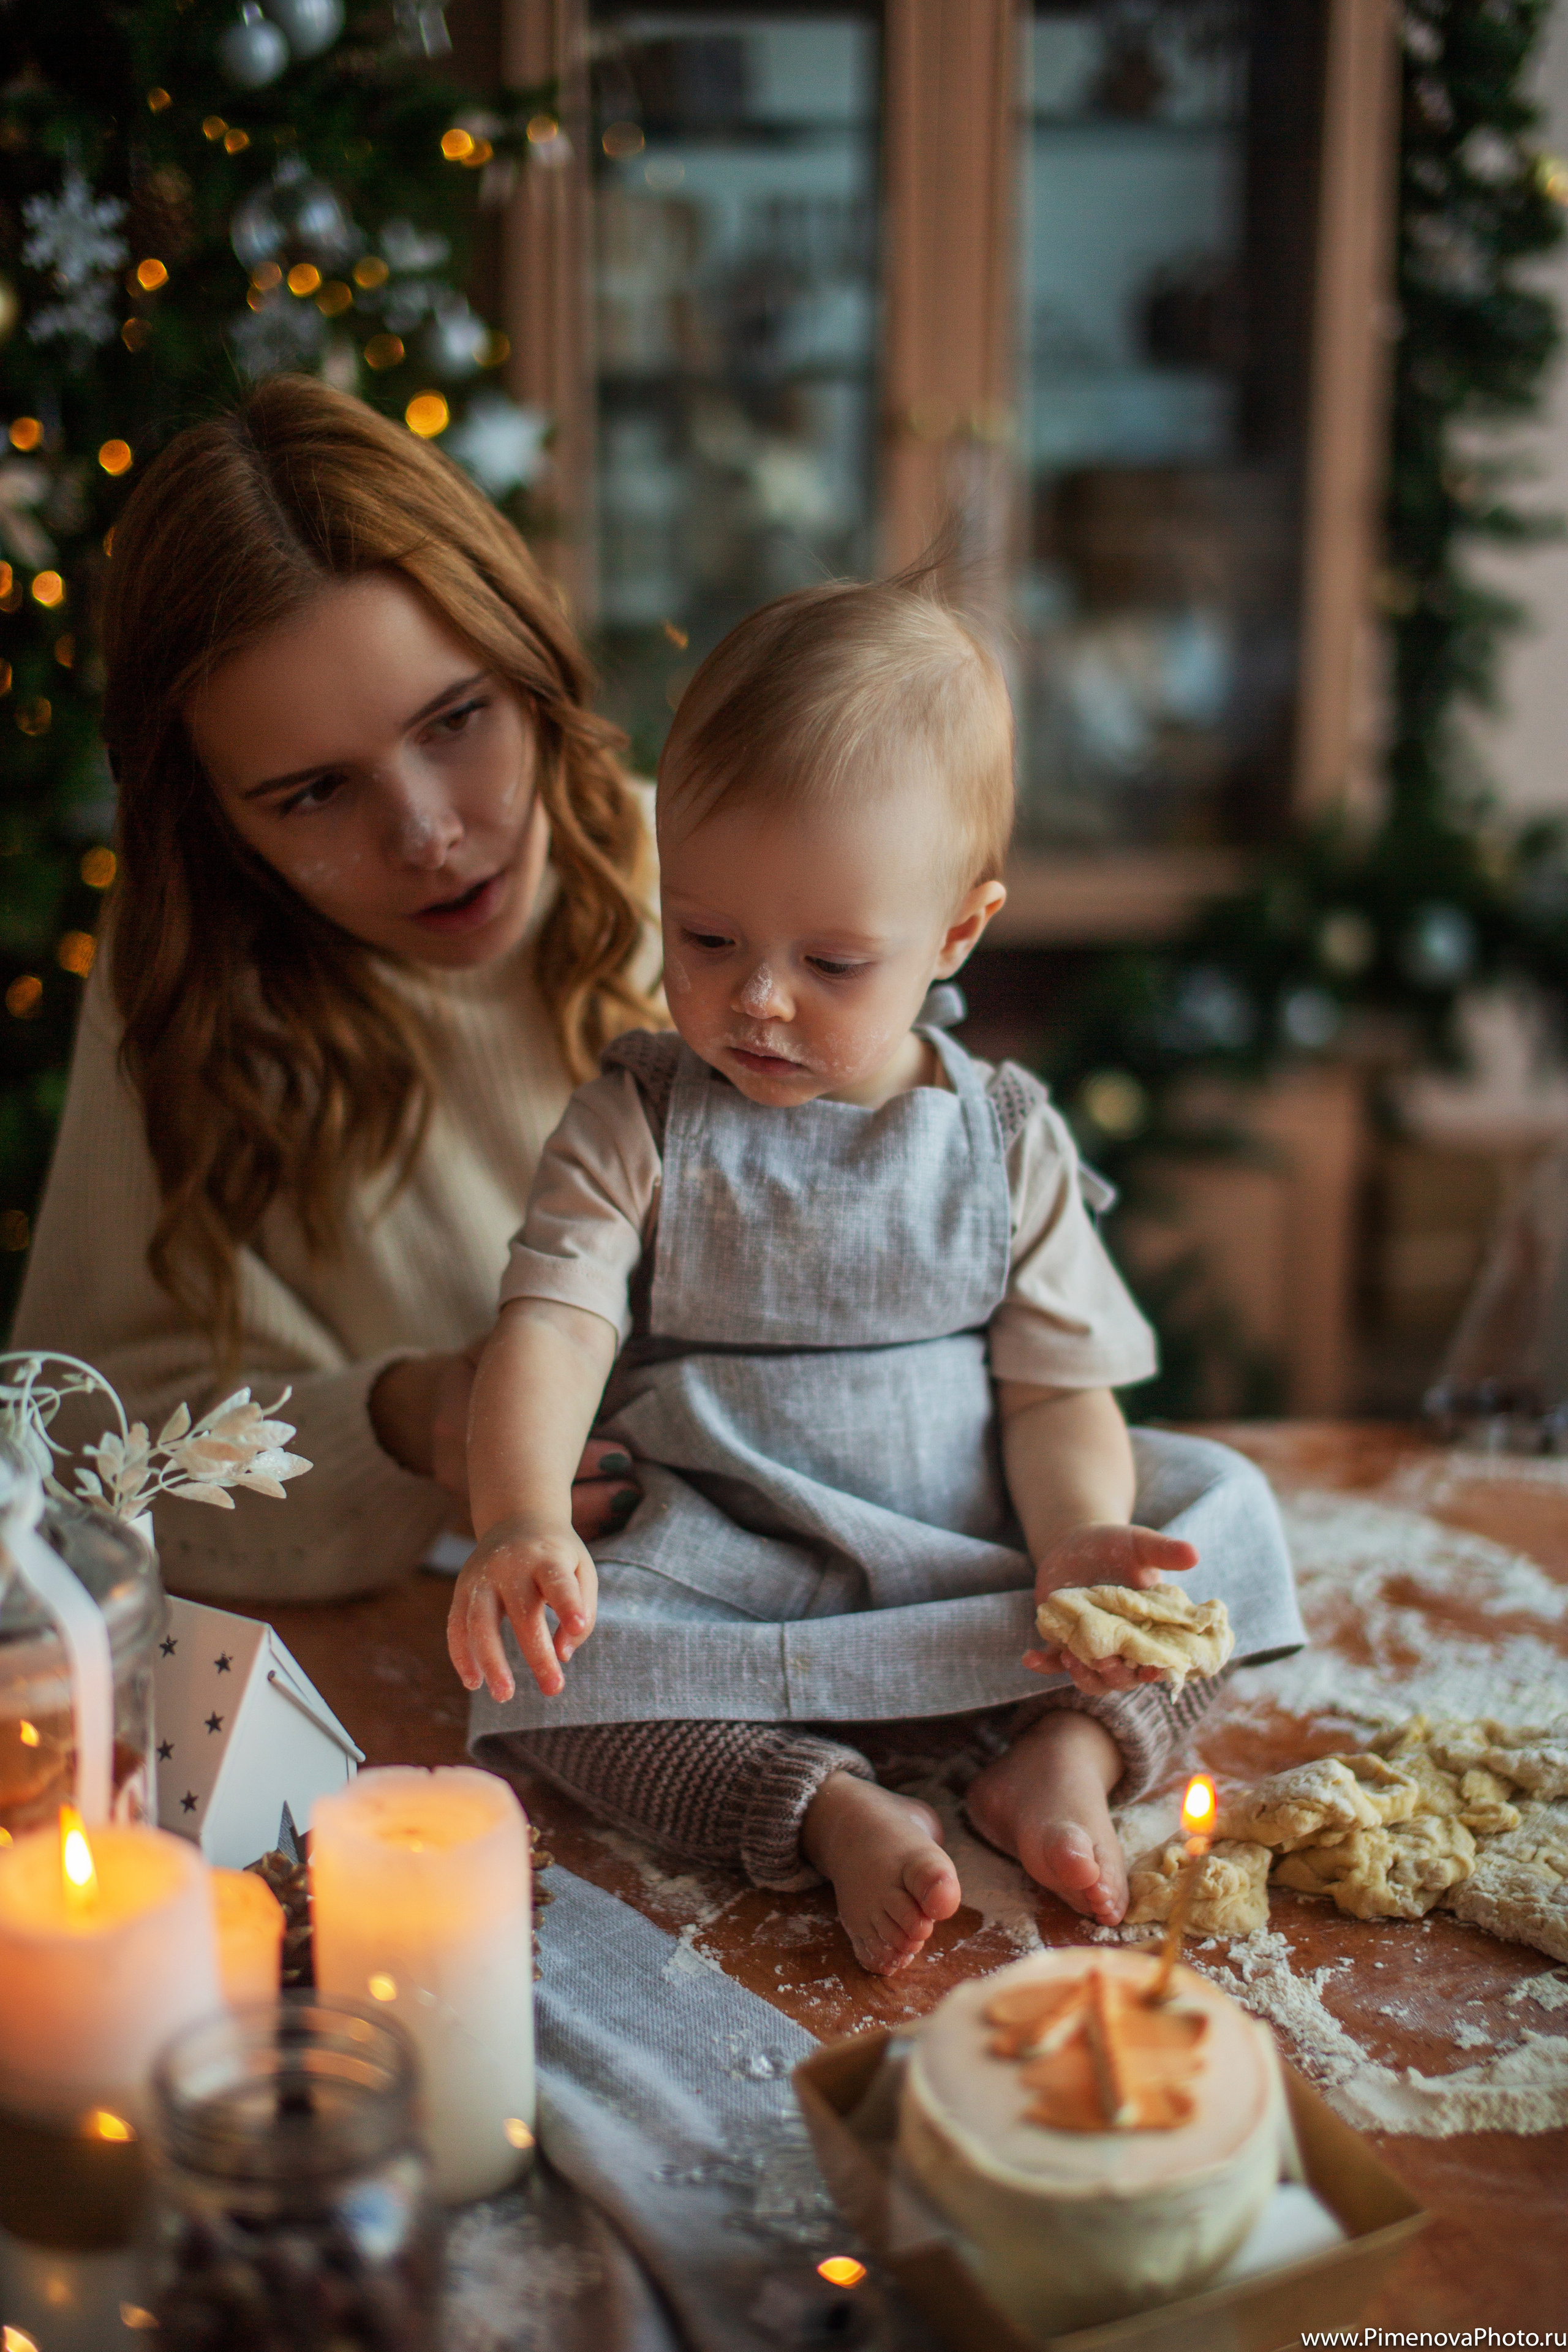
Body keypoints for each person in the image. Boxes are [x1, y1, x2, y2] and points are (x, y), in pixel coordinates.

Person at [451, 575, 1304, 1974]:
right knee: (540, 1682)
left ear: (955, 934)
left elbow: (1053, 1391)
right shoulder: (639, 1119)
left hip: (977, 1565)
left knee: (1224, 1523)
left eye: (833, 960)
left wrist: (1081, 1546)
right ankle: (824, 1806)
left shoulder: (1003, 1135)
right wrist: (518, 1519)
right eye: (708, 939)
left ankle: (1062, 1759)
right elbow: (547, 1320)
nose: (757, 998)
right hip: (731, 1571)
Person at [12, 377, 660, 1597]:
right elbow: (80, 1474)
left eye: (457, 718)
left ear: (527, 658)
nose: (424, 834)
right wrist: (399, 1421)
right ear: (216, 821)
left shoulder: (733, 903)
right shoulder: (194, 995)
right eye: (314, 792)